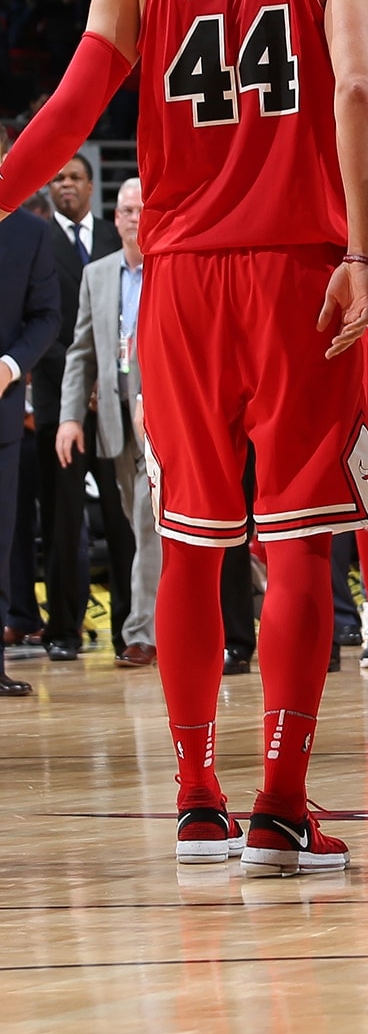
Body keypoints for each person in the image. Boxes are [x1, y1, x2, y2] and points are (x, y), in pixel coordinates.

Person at [0, 0, 368, 876]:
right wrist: (362, 256)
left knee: (190, 540)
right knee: (301, 536)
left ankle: (196, 797)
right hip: (300, 272)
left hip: (176, 282)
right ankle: (281, 800)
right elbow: (359, 95)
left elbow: (66, 117)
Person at [56, 178, 161, 668]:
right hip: (113, 421)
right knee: (140, 526)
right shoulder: (96, 275)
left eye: (140, 209)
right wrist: (70, 418)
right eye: (124, 210)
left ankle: (143, 633)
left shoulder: (170, 267)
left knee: (146, 521)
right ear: (113, 217)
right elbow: (80, 353)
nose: (132, 218)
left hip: (160, 417)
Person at [31, 156, 122, 660]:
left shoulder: (115, 236)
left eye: (73, 178)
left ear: (91, 185)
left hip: (115, 397)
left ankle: (132, 628)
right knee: (63, 521)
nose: (64, 185)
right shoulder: (37, 240)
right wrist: (78, 381)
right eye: (57, 177)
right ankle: (63, 629)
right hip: (57, 402)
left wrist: (104, 377)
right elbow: (39, 323)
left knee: (123, 515)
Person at [0, 126, 59, 697]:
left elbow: (45, 316)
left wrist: (10, 366)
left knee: (1, 536)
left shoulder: (30, 234)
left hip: (2, 409)